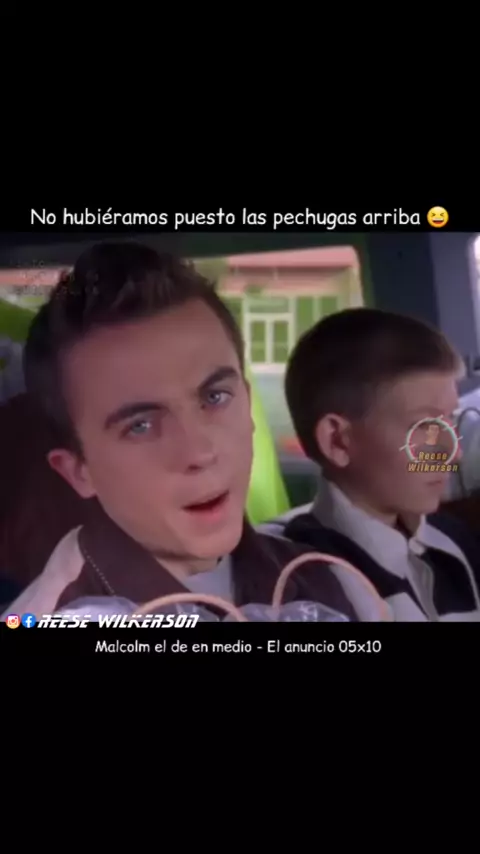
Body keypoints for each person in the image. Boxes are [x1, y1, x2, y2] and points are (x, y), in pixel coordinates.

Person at [3, 243, 386, 622]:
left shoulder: (329, 581)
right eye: (140, 426)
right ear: (78, 471)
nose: (199, 452)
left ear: (247, 402)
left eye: (215, 397)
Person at [281, 308, 480, 621]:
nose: (452, 453)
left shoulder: (454, 542)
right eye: (424, 426)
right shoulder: (300, 579)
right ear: (338, 441)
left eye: (450, 420)